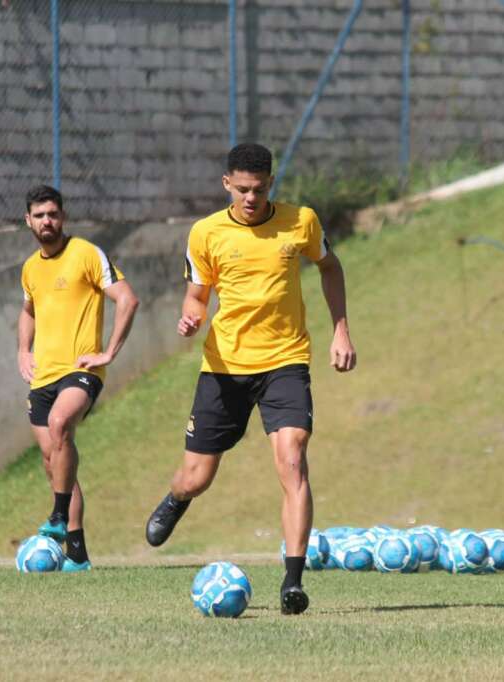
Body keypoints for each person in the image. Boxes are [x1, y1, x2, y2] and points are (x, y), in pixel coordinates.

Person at [144, 143, 357, 614]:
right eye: (241, 189)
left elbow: (329, 266)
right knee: (197, 477)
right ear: (226, 184)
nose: (250, 198)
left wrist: (340, 329)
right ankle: (178, 497)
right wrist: (191, 318)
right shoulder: (205, 233)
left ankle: (293, 581)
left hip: (285, 359)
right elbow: (197, 295)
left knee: (293, 457)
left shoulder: (301, 221)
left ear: (271, 184)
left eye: (259, 189)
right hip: (224, 367)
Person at [18, 184, 139, 571]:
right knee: (54, 462)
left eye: (53, 213)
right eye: (39, 215)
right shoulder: (31, 267)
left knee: (60, 424)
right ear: (29, 221)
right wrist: (23, 350)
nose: (47, 221)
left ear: (63, 217)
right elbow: (28, 310)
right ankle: (78, 555)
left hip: (81, 371)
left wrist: (109, 352)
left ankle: (55, 518)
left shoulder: (86, 253)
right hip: (43, 377)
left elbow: (128, 298)